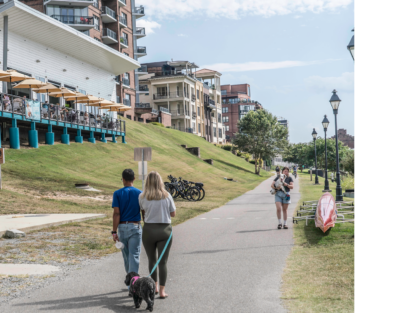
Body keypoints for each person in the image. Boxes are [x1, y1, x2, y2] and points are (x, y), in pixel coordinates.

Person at [140, 171, 176, 299]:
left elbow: (143, 212)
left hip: (149, 230)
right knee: (163, 262)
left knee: (151, 259)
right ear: (160, 181)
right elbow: (173, 214)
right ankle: (162, 291)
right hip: (164, 230)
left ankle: (154, 287)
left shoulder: (142, 196)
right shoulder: (167, 196)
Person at [112, 169, 143, 282]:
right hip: (135, 226)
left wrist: (114, 231)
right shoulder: (140, 193)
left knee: (126, 256)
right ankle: (134, 283)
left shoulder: (117, 193)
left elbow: (116, 213)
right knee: (134, 256)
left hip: (122, 227)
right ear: (134, 179)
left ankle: (130, 281)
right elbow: (143, 212)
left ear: (123, 179)